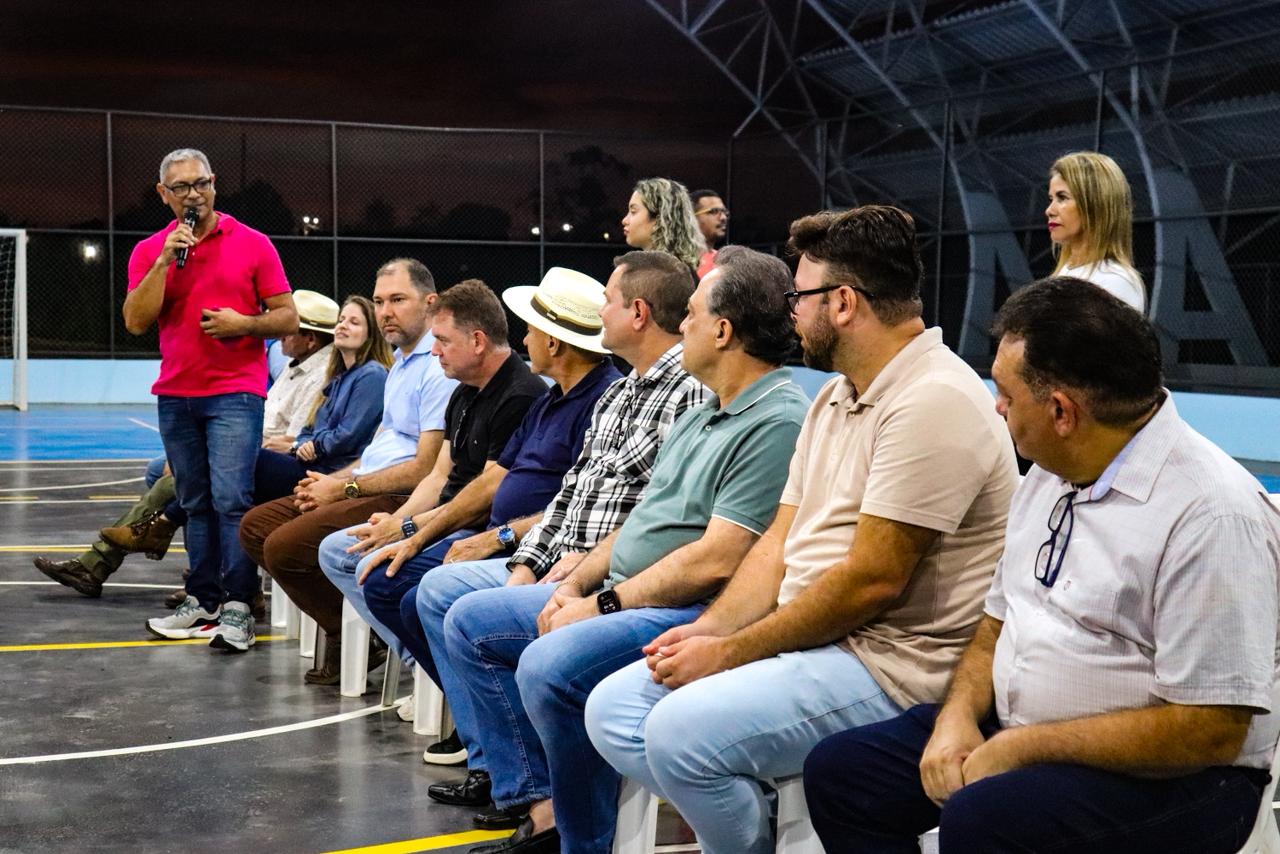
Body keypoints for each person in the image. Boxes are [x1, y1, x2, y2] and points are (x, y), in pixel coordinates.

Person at [585, 206, 1019, 854]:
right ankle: (753, 819)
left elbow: (870, 584)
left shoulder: (933, 399)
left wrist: (733, 652)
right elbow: (778, 541)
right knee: (614, 711)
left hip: (889, 667)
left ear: (842, 303)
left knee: (679, 733)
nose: (790, 313)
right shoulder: (836, 395)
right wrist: (712, 630)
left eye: (800, 297)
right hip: (818, 642)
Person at [802, 278, 1280, 854]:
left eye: (1005, 393)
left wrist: (1022, 748)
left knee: (985, 820)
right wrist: (957, 718)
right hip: (1028, 731)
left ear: (1060, 411)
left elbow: (1209, 730)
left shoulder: (1212, 515)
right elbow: (997, 623)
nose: (996, 406)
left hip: (1184, 777)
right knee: (844, 775)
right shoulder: (1050, 473)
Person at [453, 246, 809, 854]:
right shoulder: (707, 410)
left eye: (691, 315)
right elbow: (640, 520)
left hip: (692, 607)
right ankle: (549, 808)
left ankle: (578, 838)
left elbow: (717, 560)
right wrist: (574, 583)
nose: (682, 326)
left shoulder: (774, 419)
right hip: (628, 588)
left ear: (724, 331)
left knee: (548, 666)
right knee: (473, 620)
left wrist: (602, 603)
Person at [412, 250, 705, 829]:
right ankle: (518, 780)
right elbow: (570, 494)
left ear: (638, 313)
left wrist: (582, 571)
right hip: (564, 560)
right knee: (444, 597)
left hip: (615, 574)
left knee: (466, 615)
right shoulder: (620, 393)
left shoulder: (685, 392)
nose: (600, 311)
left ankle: (535, 797)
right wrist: (526, 564)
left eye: (608, 301)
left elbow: (660, 515)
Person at [317, 268, 621, 697]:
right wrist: (410, 529)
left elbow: (561, 503)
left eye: (531, 330)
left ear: (554, 342)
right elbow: (476, 477)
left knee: (400, 588)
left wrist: (468, 535)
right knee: (378, 574)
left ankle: (474, 701)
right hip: (494, 534)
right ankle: (466, 698)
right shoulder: (546, 398)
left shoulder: (563, 397)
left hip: (522, 543)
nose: (524, 339)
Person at [287, 279, 547, 683]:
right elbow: (439, 475)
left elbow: (484, 496)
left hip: (472, 526)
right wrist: (398, 523)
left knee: (380, 578)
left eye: (442, 341)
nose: (435, 351)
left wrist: (410, 529)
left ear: (478, 341)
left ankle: (440, 675)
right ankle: (425, 664)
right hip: (445, 517)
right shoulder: (463, 392)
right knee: (339, 552)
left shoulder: (520, 394)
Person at [32, 291, 337, 602]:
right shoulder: (293, 367)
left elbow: (292, 439)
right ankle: (175, 560)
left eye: (289, 331)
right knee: (163, 471)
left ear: (310, 339)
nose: (281, 336)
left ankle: (158, 557)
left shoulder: (319, 377)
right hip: (254, 448)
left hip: (279, 461)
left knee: (189, 477)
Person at [125, 147, 299, 651]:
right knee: (194, 502)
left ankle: (239, 606)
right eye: (181, 187)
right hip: (176, 394)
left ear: (214, 184)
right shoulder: (151, 250)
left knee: (232, 500)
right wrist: (164, 261)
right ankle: (202, 601)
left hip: (235, 394)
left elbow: (288, 316)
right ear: (163, 194)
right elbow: (135, 321)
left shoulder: (253, 243)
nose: (193, 195)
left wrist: (244, 323)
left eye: (200, 183)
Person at [238, 258, 456, 655]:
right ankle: (355, 632)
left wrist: (345, 489)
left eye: (398, 300)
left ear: (430, 302)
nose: (385, 311)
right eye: (379, 301)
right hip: (365, 483)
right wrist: (335, 481)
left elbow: (424, 469)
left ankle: (358, 638)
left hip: (401, 497)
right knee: (256, 526)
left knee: (284, 547)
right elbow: (375, 449)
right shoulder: (400, 366)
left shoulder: (437, 368)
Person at [1046, 150, 1145, 311]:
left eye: (1062, 198)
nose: (1049, 210)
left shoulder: (1115, 280)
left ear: (1095, 204)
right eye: (1051, 199)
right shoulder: (1065, 273)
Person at [622, 177, 706, 273]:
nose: (624, 220)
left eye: (633, 211)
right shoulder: (679, 270)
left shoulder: (665, 274)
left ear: (660, 218)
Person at [690, 189, 729, 279]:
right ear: (692, 217)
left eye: (724, 212)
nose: (723, 217)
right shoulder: (678, 261)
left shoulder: (725, 262)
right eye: (714, 211)